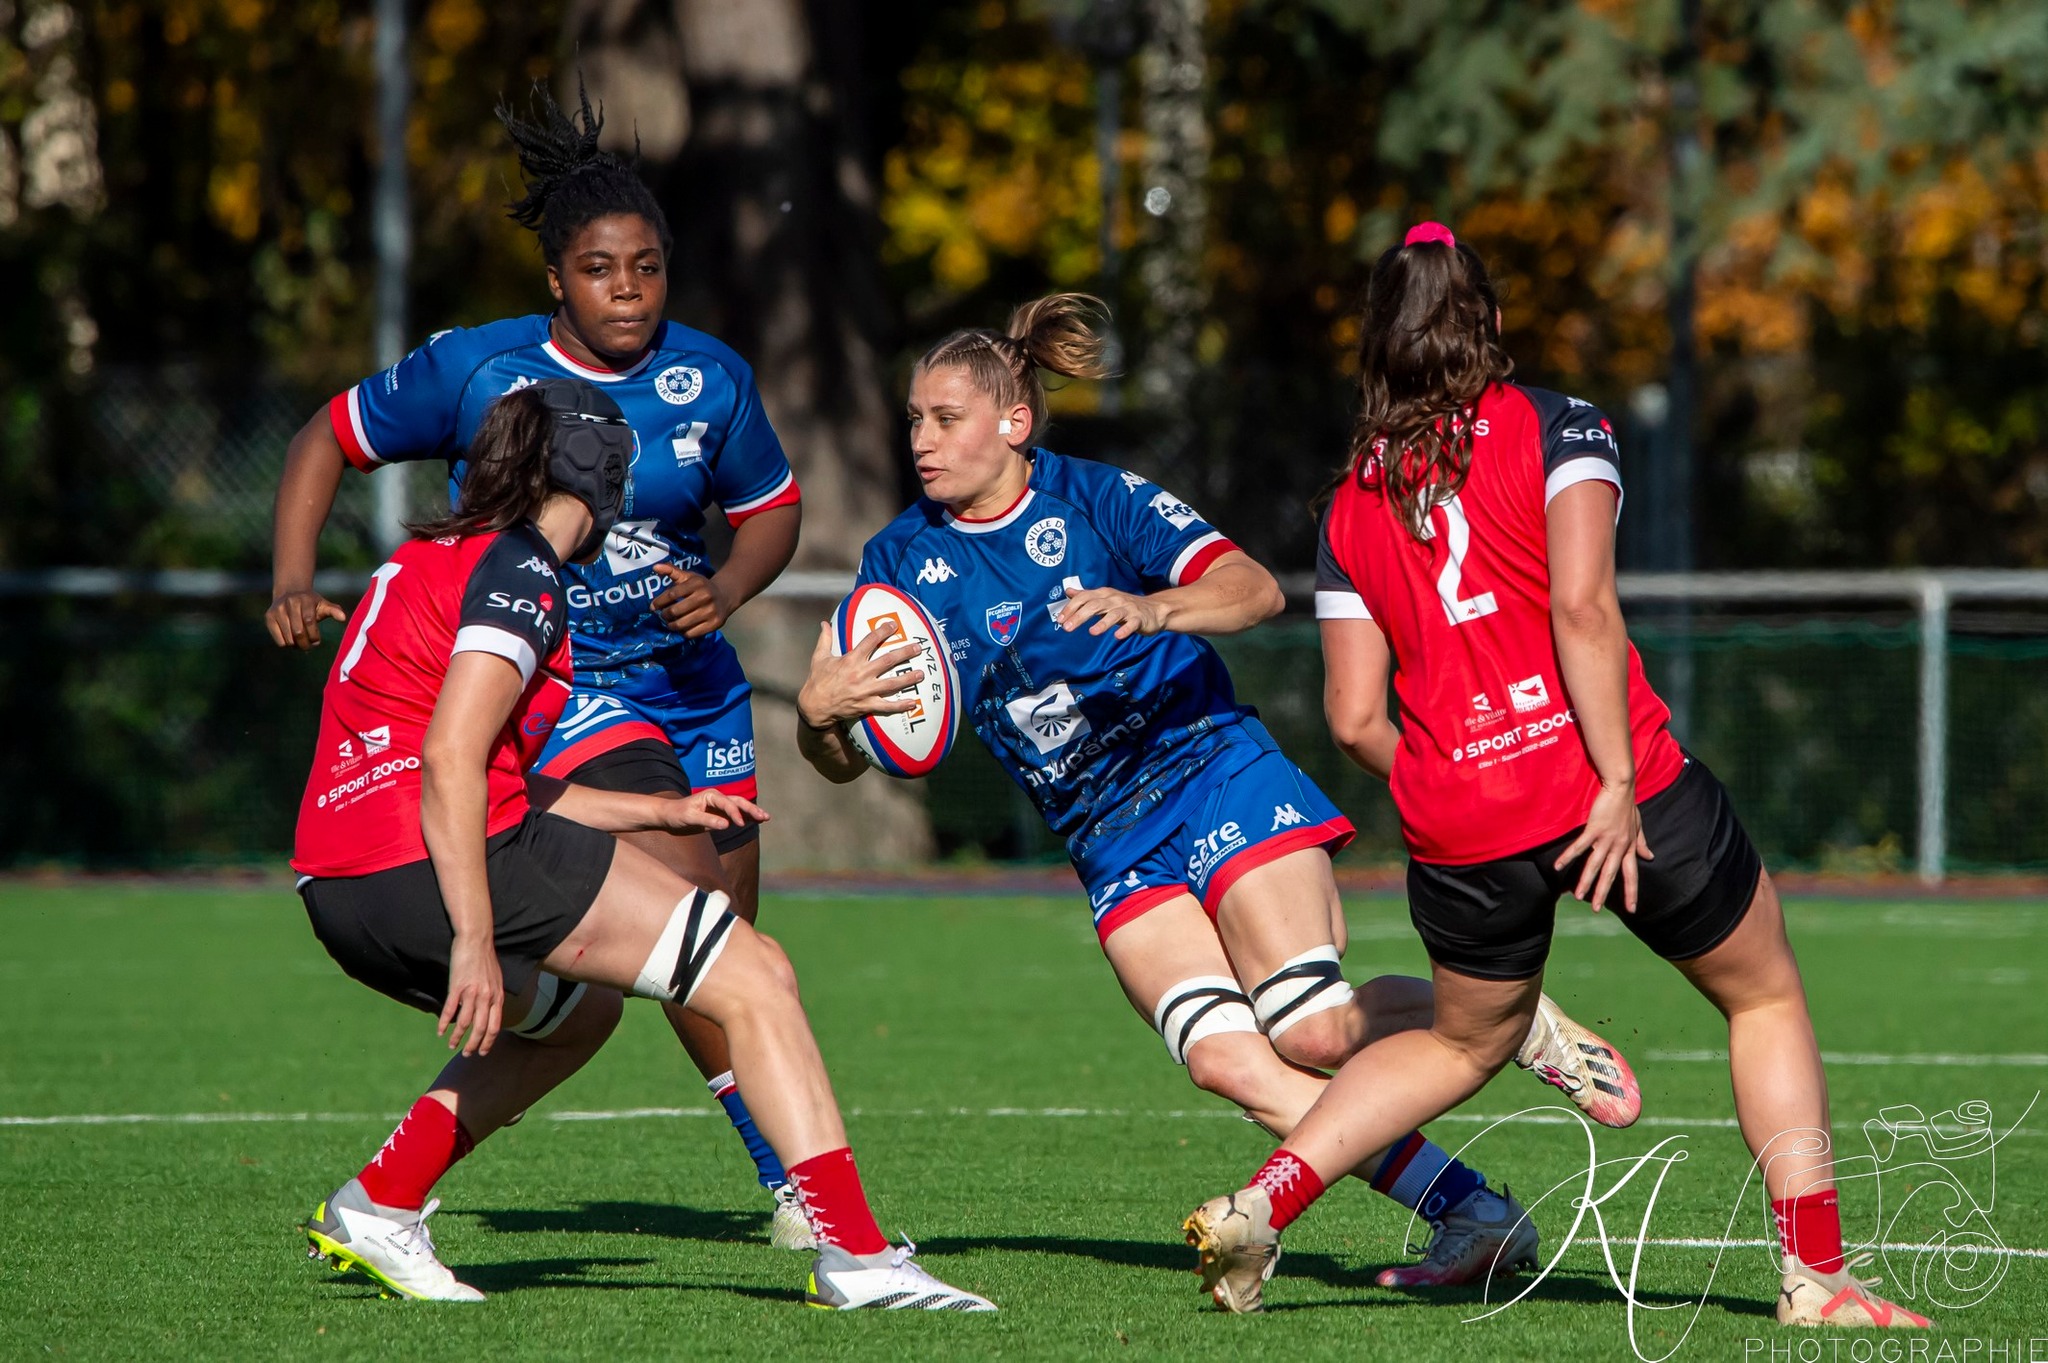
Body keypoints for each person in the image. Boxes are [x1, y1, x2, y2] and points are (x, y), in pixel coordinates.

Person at [794, 292, 1643, 1291]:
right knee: (1229, 1063)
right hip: (1103, 836)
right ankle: (1475, 1213)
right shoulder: (899, 563)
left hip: (1208, 768)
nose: (921, 440)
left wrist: (1154, 607)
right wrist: (820, 721)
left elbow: (1251, 586)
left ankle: (1513, 1016)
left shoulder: (1100, 499)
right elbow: (885, 750)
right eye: (912, 420)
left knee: (1308, 1023)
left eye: (943, 418)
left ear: (1012, 422)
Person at [1182, 223, 1931, 1329]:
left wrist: (1451, 771)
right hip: (1606, 786)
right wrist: (1614, 782)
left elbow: (1350, 718)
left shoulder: (1347, 506)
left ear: (1376, 348)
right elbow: (1579, 607)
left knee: (1455, 1042)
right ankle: (1812, 1281)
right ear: (1488, 325)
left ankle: (1263, 1201)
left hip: (1460, 820)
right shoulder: (1556, 424)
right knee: (1761, 992)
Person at [292, 379, 993, 1311]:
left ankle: (380, 1201)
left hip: (340, 885)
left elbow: (471, 761)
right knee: (752, 972)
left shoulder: (431, 556)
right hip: (432, 856)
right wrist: (472, 935)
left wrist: (652, 813)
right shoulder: (522, 568)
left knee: (577, 1015)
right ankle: (858, 1258)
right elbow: (452, 756)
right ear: (597, 473)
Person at [267, 81, 807, 1243]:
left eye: (650, 267)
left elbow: (772, 510)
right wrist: (290, 576)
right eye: (603, 270)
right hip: (573, 689)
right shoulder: (477, 369)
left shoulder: (708, 377)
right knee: (692, 920)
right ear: (554, 279)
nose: (630, 290)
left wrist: (729, 586)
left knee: (721, 942)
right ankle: (808, 1198)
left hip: (694, 688)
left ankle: (435, 1154)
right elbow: (328, 436)